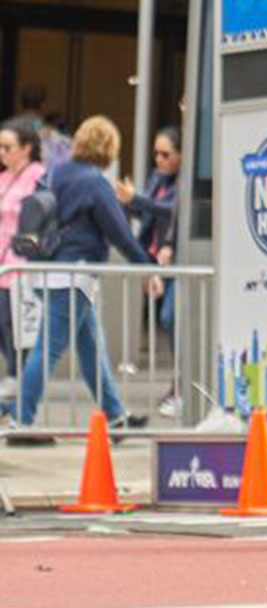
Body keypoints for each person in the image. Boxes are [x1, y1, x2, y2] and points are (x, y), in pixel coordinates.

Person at [1, 115, 157, 441]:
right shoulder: (94, 182)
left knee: (91, 348)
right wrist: (149, 268)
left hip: (45, 270)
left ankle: (115, 418)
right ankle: (20, 421)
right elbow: (121, 235)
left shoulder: (54, 173)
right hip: (72, 276)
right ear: (108, 148)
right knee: (47, 351)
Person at [114, 126, 182, 417]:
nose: (159, 159)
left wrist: (136, 200)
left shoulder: (186, 181)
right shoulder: (158, 178)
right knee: (167, 318)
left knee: (171, 316)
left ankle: (181, 384)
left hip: (181, 258)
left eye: (166, 154)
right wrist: (127, 204)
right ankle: (178, 384)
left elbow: (170, 210)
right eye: (156, 153)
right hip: (157, 259)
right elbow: (146, 213)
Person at [0, 119, 48, 399]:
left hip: (23, 264)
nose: (3, 153)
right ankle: (14, 373)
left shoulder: (39, 177)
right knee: (2, 321)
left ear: (26, 148)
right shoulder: (3, 178)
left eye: (8, 147)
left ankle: (17, 374)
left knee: (14, 323)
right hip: (3, 261)